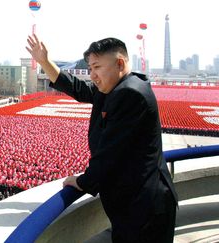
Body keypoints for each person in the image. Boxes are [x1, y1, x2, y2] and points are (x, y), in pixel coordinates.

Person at [26, 35, 178, 243]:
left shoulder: (130, 94)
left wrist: (82, 181)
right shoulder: (118, 87)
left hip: (144, 210)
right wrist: (45, 62)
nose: (93, 75)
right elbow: (78, 89)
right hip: (138, 206)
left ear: (120, 63)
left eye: (97, 67)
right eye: (90, 69)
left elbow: (109, 154)